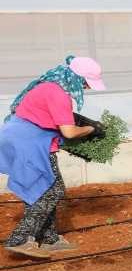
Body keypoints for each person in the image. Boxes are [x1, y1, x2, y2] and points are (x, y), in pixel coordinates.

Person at [0, 55, 106, 258]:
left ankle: (49, 239)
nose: (86, 88)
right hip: (27, 143)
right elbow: (69, 132)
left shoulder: (50, 87)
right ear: (77, 78)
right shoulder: (58, 95)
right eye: (85, 83)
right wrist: (91, 129)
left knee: (42, 187)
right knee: (52, 191)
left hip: (28, 140)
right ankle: (21, 238)